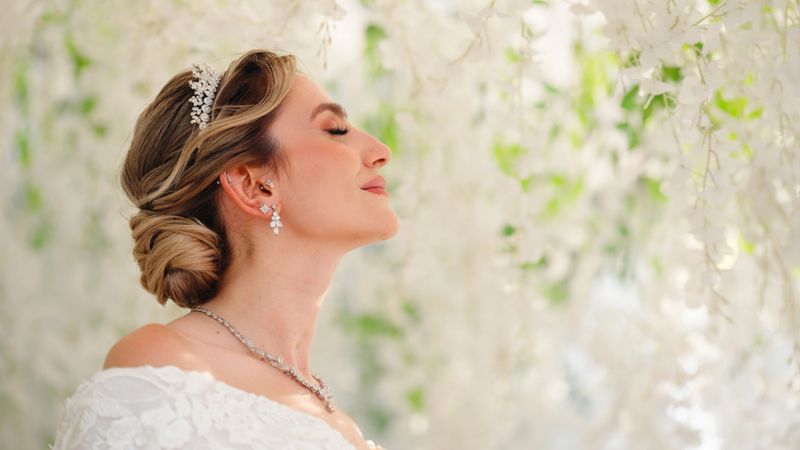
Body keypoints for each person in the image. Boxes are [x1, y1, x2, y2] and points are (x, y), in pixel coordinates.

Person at [51, 48, 398, 450]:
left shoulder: (336, 417)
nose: (380, 150)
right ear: (254, 184)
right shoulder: (165, 366)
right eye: (335, 129)